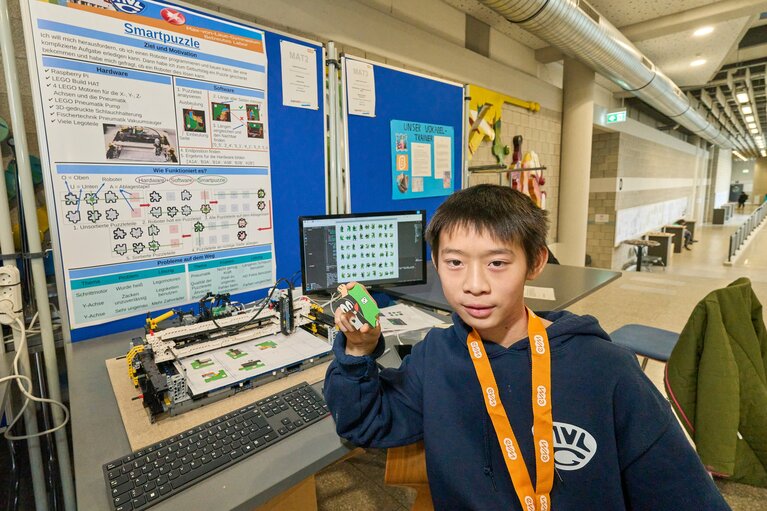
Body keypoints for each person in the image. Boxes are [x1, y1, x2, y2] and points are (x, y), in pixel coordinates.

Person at [325, 184, 729, 510]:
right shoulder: (436, 356)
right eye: (455, 263)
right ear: (435, 261)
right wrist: (359, 352)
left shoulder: (606, 370)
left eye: (497, 263)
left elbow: (685, 494)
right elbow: (364, 424)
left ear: (535, 262)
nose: (475, 284)